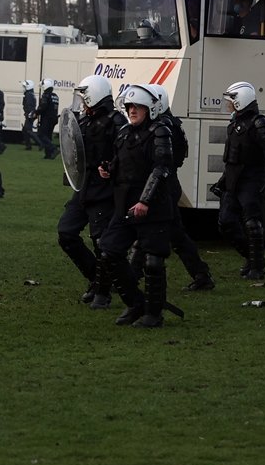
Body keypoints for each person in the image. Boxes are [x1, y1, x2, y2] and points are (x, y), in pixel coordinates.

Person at [97, 85, 178, 328]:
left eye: (137, 106)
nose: (132, 110)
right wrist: (108, 169)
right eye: (130, 106)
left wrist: (145, 200)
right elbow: (122, 163)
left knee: (153, 261)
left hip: (152, 208)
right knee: (109, 250)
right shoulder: (123, 132)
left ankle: (153, 314)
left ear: (150, 108)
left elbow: (161, 168)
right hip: (125, 207)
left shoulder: (160, 132)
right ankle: (136, 304)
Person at [134, 84, 215, 292]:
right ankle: (201, 274)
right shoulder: (170, 124)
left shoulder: (165, 127)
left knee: (150, 235)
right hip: (167, 185)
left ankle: (130, 276)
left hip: (165, 187)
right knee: (174, 235)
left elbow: (166, 162)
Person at [55, 75, 125, 308]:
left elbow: (126, 156)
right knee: (66, 233)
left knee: (101, 243)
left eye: (85, 97)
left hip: (105, 193)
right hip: (83, 189)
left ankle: (103, 293)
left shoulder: (117, 122)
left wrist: (111, 168)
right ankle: (96, 279)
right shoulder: (83, 121)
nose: (82, 102)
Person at [211, 81, 265, 280]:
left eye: (231, 100)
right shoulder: (234, 124)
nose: (228, 104)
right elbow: (232, 159)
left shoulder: (258, 124)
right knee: (225, 223)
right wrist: (222, 182)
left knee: (252, 223)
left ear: (240, 101)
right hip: (233, 182)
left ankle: (257, 267)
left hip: (251, 180)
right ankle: (252, 258)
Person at [35, 78, 59, 159]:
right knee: (48, 136)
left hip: (46, 118)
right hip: (54, 118)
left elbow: (43, 107)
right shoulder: (55, 96)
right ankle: (48, 154)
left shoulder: (46, 95)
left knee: (41, 134)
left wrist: (36, 112)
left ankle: (54, 149)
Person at [20, 79, 37, 150]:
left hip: (29, 114)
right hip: (30, 114)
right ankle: (28, 145)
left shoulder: (29, 95)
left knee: (28, 130)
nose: (23, 88)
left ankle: (41, 143)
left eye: (24, 86)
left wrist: (29, 114)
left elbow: (29, 105)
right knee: (25, 130)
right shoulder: (30, 94)